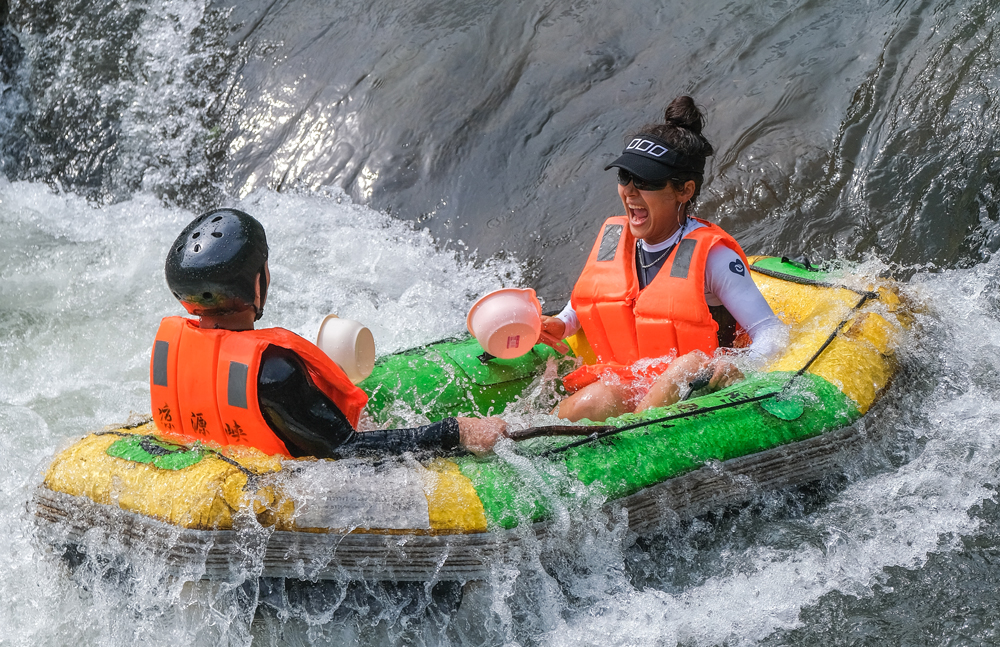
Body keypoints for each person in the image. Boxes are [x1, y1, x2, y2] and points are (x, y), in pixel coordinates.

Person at [149, 208, 506, 459]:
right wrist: (455, 432)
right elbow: (345, 449)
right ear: (257, 283)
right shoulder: (273, 371)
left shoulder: (169, 350)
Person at [537, 96, 786, 422]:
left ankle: (634, 440)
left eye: (646, 181)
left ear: (684, 190)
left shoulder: (714, 259)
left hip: (696, 391)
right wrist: (562, 323)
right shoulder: (616, 241)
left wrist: (736, 365)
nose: (629, 190)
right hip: (633, 382)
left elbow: (772, 333)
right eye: (624, 176)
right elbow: (586, 302)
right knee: (595, 400)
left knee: (690, 362)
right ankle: (529, 446)